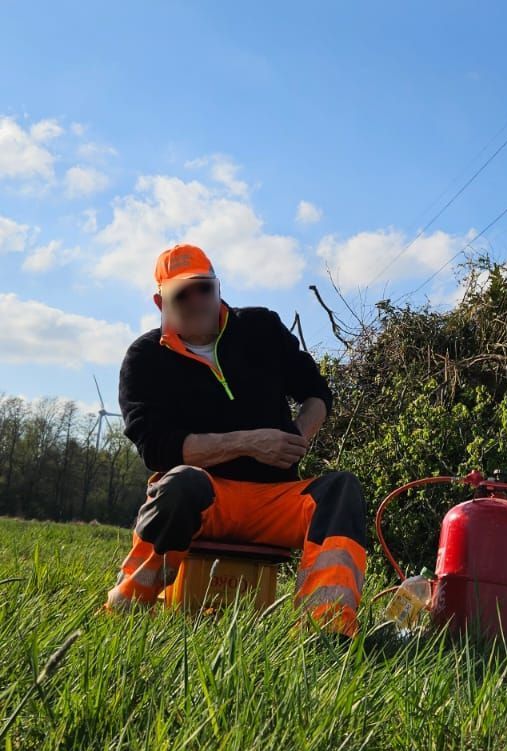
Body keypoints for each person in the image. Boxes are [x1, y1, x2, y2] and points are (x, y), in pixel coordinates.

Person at [104, 243, 367, 639]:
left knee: (341, 489)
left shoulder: (261, 328)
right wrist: (249, 442)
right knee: (178, 485)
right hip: (205, 498)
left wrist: (297, 437)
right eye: (182, 293)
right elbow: (156, 448)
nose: (196, 300)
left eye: (203, 288)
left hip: (276, 501)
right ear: (161, 302)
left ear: (217, 286)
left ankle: (327, 630)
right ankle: (127, 609)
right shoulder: (144, 358)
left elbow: (317, 393)